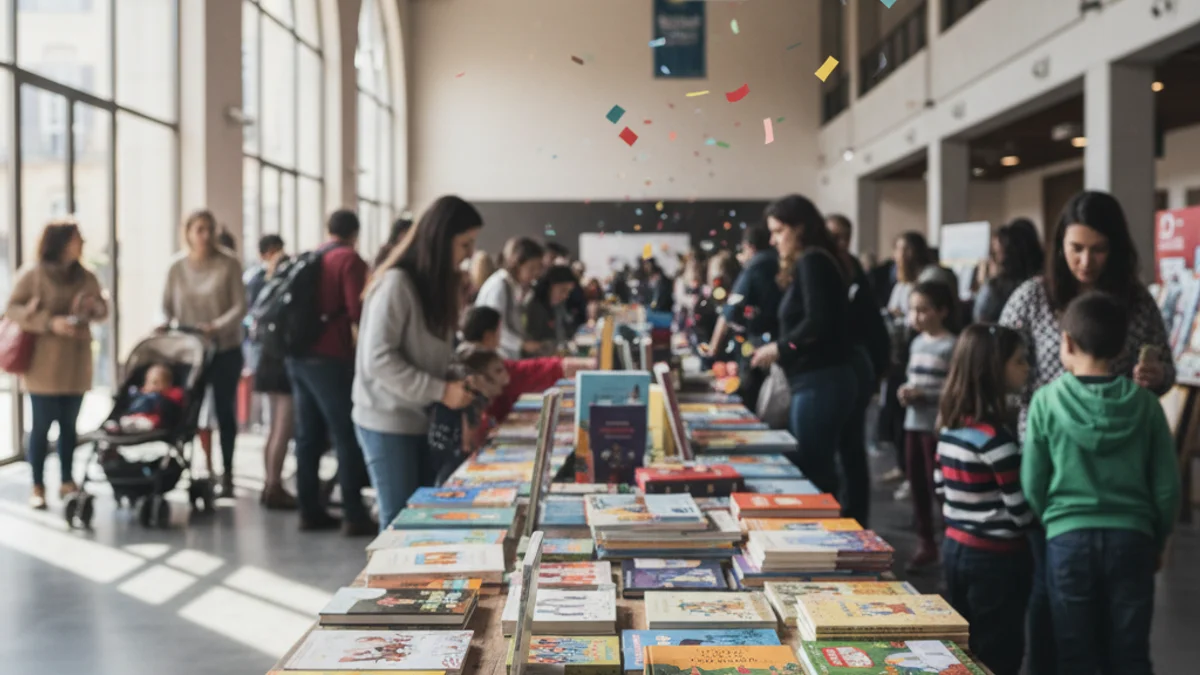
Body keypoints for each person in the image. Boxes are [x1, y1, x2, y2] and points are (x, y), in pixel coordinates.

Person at [999, 191, 1173, 675]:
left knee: (1085, 616)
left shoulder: (1137, 302)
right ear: (1059, 246)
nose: (1086, 261)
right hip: (1052, 465)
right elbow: (998, 370)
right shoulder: (1033, 295)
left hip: (1105, 474)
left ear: (1116, 248)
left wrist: (1156, 377)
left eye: (1098, 249)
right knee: (1048, 596)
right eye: (1076, 248)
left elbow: (1163, 365)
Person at [1022, 291, 1179, 675]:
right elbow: (1166, 488)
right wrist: (1155, 539)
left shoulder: (1045, 401)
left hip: (1067, 541)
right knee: (1130, 654)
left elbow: (1032, 480)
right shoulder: (1146, 406)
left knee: (1075, 654)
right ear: (1123, 347)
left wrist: (1055, 521)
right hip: (1133, 540)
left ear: (1068, 342)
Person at [354, 195, 483, 531]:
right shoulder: (397, 283)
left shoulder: (435, 286)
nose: (470, 254)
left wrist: (459, 379)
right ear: (440, 239)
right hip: (386, 419)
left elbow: (434, 353)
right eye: (465, 244)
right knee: (399, 526)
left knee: (419, 521)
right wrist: (441, 390)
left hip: (418, 416)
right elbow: (378, 359)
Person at [935, 324, 1035, 675]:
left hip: (955, 549)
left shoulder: (949, 430)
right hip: (998, 560)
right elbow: (1020, 512)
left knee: (966, 645)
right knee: (1000, 650)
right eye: (1020, 361)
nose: (1027, 368)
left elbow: (939, 488)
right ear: (994, 370)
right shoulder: (999, 443)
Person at [750, 195, 856, 495]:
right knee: (817, 466)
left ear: (800, 228)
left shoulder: (812, 260)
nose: (773, 240)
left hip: (820, 380)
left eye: (779, 231)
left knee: (814, 471)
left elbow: (817, 322)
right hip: (820, 379)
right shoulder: (817, 259)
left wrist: (780, 348)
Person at [5, 220, 107, 509]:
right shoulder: (33, 274)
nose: (83, 242)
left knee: (69, 426)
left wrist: (91, 309)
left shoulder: (86, 276)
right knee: (41, 427)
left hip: (76, 362)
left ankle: (66, 480)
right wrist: (49, 322)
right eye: (78, 237)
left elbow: (103, 309)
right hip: (43, 365)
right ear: (62, 242)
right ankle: (37, 484)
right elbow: (11, 309)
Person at [286, 209, 373, 534]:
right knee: (345, 434)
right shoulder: (350, 260)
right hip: (329, 357)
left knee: (307, 436)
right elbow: (356, 310)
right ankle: (354, 513)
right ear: (355, 232)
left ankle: (308, 510)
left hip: (297, 356)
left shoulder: (310, 256)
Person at [162, 210, 245, 498]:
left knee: (224, 411)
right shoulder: (176, 267)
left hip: (223, 349)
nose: (205, 235)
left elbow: (239, 306)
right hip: (188, 351)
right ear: (188, 232)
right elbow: (165, 306)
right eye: (199, 229)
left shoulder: (229, 264)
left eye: (209, 229)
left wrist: (216, 327)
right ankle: (197, 468)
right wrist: (164, 324)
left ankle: (228, 471)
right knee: (190, 410)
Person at [827, 214, 891, 526]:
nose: (839, 243)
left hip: (853, 368)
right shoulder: (828, 266)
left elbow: (872, 323)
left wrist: (879, 368)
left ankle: (855, 519)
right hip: (842, 368)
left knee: (851, 450)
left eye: (844, 237)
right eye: (833, 236)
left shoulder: (852, 270)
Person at [898, 280, 958, 570]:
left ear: (942, 311)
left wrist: (925, 394)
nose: (917, 317)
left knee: (940, 486)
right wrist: (907, 392)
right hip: (913, 422)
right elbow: (914, 378)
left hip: (935, 425)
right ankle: (926, 541)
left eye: (924, 310)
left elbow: (952, 388)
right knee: (918, 483)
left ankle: (949, 541)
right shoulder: (916, 343)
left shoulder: (951, 345)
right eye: (914, 310)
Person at [460, 306, 591, 423]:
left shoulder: (463, 358)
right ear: (488, 336)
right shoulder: (486, 365)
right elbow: (532, 371)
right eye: (499, 332)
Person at [705, 224, 782, 412]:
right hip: (778, 345)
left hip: (758, 350)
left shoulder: (755, 267)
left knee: (752, 404)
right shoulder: (780, 264)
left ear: (749, 246)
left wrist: (712, 349)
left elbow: (730, 312)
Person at [245, 234, 296, 509]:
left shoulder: (255, 281)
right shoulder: (278, 282)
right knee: (282, 425)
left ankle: (270, 482)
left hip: (263, 358)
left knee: (273, 425)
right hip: (278, 360)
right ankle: (274, 483)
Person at [475, 237, 545, 358]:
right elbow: (496, 328)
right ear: (516, 265)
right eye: (531, 268)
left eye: (538, 268)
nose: (535, 274)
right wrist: (522, 344)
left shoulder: (517, 287)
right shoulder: (499, 287)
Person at [973, 221, 1043, 323]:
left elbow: (979, 319)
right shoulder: (1046, 282)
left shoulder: (994, 289)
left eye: (996, 253)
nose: (992, 259)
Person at [106, 364, 185, 433]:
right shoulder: (142, 392)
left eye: (156, 382)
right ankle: (117, 426)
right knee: (125, 419)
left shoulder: (172, 393)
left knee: (145, 423)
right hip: (136, 416)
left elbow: (174, 408)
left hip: (153, 420)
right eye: (148, 381)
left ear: (168, 384)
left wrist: (159, 397)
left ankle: (124, 428)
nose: (151, 386)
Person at [524, 265, 577, 356]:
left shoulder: (557, 306)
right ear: (550, 286)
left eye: (568, 292)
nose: (565, 296)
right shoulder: (535, 307)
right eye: (562, 290)